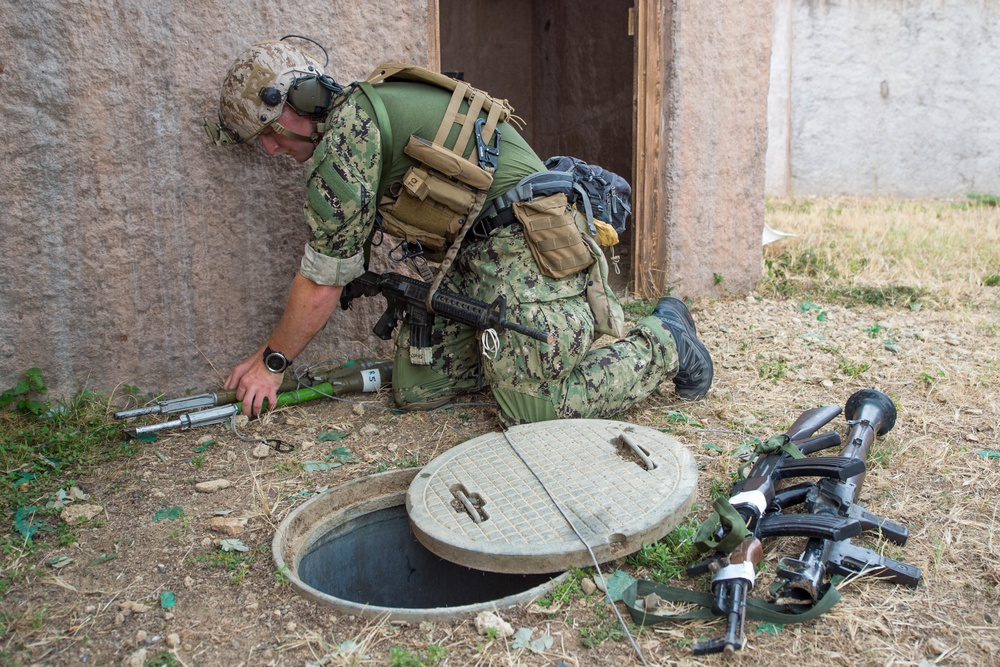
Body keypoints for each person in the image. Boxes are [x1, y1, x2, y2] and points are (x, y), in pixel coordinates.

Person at [206, 37, 713, 426]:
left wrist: (271, 364)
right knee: (419, 386)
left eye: (270, 133)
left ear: (301, 100)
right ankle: (524, 362)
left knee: (535, 413)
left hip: (527, 242)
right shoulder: (359, 117)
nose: (271, 151)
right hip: (482, 256)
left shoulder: (347, 135)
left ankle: (664, 339)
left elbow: (322, 282)